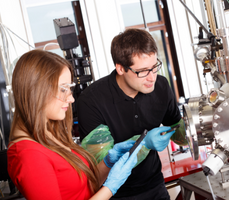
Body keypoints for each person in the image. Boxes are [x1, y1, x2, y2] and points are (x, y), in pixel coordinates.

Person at [7, 49, 144, 200]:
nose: (71, 98)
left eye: (69, 88)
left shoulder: (48, 136)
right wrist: (110, 188)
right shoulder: (29, 156)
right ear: (36, 91)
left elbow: (80, 189)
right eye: (63, 89)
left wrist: (107, 163)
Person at [77, 28, 184, 200]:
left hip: (155, 185)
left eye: (155, 66)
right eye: (142, 71)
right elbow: (99, 170)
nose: (152, 78)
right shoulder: (91, 101)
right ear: (121, 68)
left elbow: (178, 131)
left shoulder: (161, 87)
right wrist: (144, 144)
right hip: (114, 193)